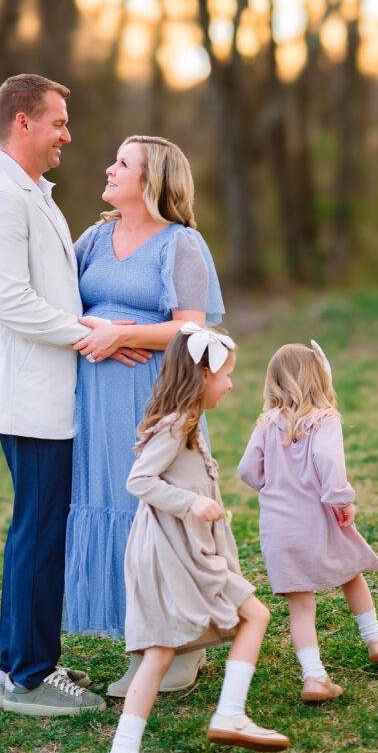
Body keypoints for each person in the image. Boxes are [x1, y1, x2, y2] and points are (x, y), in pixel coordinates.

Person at [0, 74, 143, 717]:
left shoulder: (34, 194)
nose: (68, 134)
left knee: (41, 529)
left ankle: (27, 662)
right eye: (59, 122)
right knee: (39, 532)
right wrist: (98, 338)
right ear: (23, 123)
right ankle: (27, 677)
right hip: (31, 397)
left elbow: (10, 291)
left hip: (52, 392)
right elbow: (9, 301)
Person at [64, 136, 224, 696]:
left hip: (154, 398)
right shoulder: (93, 238)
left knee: (157, 511)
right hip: (97, 403)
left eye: (123, 163)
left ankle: (184, 644)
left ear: (151, 182)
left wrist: (124, 333)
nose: (109, 168)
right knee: (114, 507)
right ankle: (144, 642)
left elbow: (193, 328)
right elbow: (58, 307)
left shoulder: (181, 245)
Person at [102, 325, 290, 753]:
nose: (230, 384)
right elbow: (139, 481)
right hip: (172, 553)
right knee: (253, 616)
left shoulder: (185, 422)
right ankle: (227, 714)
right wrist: (193, 503)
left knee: (162, 652)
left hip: (185, 551)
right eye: (225, 374)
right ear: (202, 375)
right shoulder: (176, 425)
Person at [238, 340, 378, 703]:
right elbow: (330, 466)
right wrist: (342, 501)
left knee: (301, 604)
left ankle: (314, 677)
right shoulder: (325, 421)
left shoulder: (266, 423)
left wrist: (271, 486)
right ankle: (375, 639)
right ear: (319, 378)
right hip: (319, 520)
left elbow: (247, 470)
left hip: (279, 529)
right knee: (350, 572)